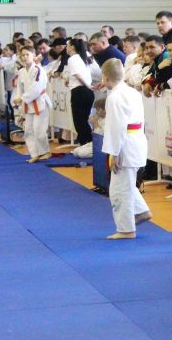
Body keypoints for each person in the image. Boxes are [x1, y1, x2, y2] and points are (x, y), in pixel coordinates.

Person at [101, 58, 152, 240]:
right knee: (126, 184)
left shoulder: (115, 97)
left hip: (125, 145)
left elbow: (116, 127)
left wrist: (114, 153)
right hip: (136, 140)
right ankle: (140, 211)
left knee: (119, 189)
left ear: (105, 77)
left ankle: (126, 229)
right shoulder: (131, 91)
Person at [13, 46, 52, 162]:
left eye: (27, 55)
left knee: (39, 130)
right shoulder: (21, 71)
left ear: (34, 56)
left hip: (40, 103)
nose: (24, 57)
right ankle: (34, 154)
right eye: (22, 55)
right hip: (28, 104)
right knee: (28, 130)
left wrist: (22, 98)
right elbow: (20, 88)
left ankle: (45, 152)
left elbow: (37, 88)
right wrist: (18, 98)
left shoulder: (38, 70)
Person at [64, 38, 94, 145]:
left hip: (79, 91)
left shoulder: (72, 58)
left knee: (79, 121)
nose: (66, 48)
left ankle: (85, 143)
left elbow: (77, 75)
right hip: (87, 92)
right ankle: (88, 143)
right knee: (83, 120)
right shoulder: (83, 57)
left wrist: (88, 85)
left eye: (67, 46)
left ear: (72, 47)